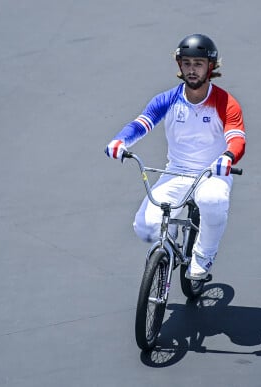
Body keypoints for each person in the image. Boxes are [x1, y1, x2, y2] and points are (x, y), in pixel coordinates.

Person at [104, 33, 246, 280]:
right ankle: (169, 247)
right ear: (180, 65)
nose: (192, 70)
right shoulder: (167, 100)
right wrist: (120, 140)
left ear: (210, 67)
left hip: (212, 172)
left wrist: (228, 157)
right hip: (176, 171)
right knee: (145, 229)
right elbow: (140, 124)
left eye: (198, 64)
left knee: (213, 201)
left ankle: (203, 255)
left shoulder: (225, 103)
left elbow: (237, 138)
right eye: (187, 63)